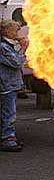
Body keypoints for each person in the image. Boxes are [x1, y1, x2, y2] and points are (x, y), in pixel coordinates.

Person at [0, 20, 28, 152]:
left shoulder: (7, 45)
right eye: (15, 31)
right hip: (6, 86)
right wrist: (23, 49)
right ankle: (7, 139)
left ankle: (8, 137)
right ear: (8, 32)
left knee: (6, 112)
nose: (17, 34)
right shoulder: (3, 47)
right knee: (9, 114)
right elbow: (16, 62)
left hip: (9, 85)